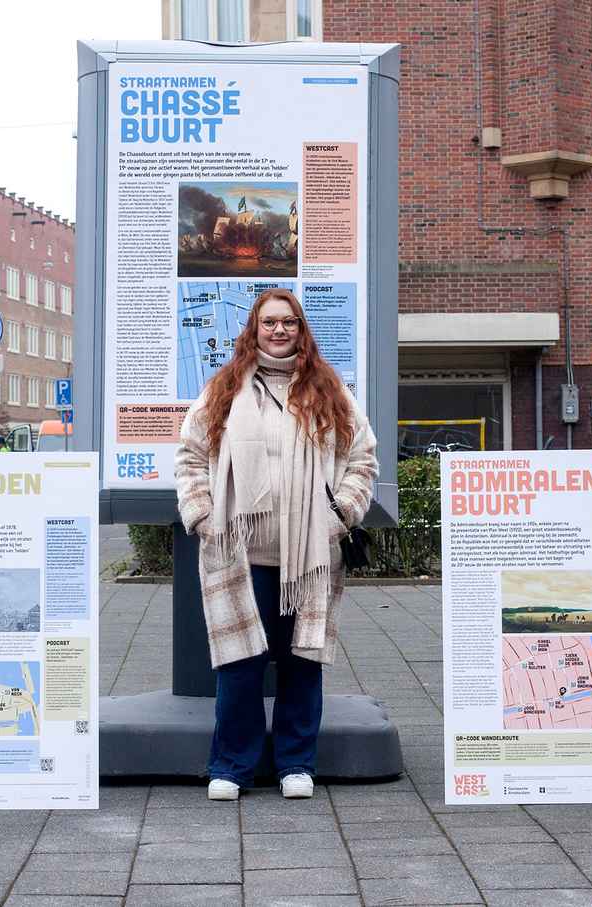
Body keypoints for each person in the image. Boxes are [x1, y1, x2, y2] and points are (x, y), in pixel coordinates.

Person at [175, 288, 378, 801]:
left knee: (302, 662)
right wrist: (201, 514)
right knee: (239, 664)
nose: (279, 330)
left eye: (289, 322)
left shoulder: (330, 391)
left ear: (301, 329)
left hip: (310, 555)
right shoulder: (223, 389)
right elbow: (191, 457)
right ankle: (231, 765)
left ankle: (295, 763)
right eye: (270, 322)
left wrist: (342, 512)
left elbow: (363, 458)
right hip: (239, 554)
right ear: (254, 329)